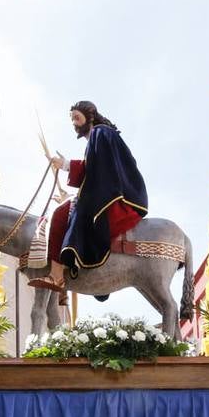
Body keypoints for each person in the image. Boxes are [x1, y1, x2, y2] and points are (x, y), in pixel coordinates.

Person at [30, 101, 149, 289]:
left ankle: (57, 277)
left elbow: (98, 172)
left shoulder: (100, 133)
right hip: (120, 193)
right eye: (72, 120)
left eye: (77, 118)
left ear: (90, 116)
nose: (75, 123)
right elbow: (96, 172)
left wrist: (67, 165)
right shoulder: (100, 136)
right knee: (68, 208)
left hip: (119, 198)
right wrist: (68, 171)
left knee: (61, 214)